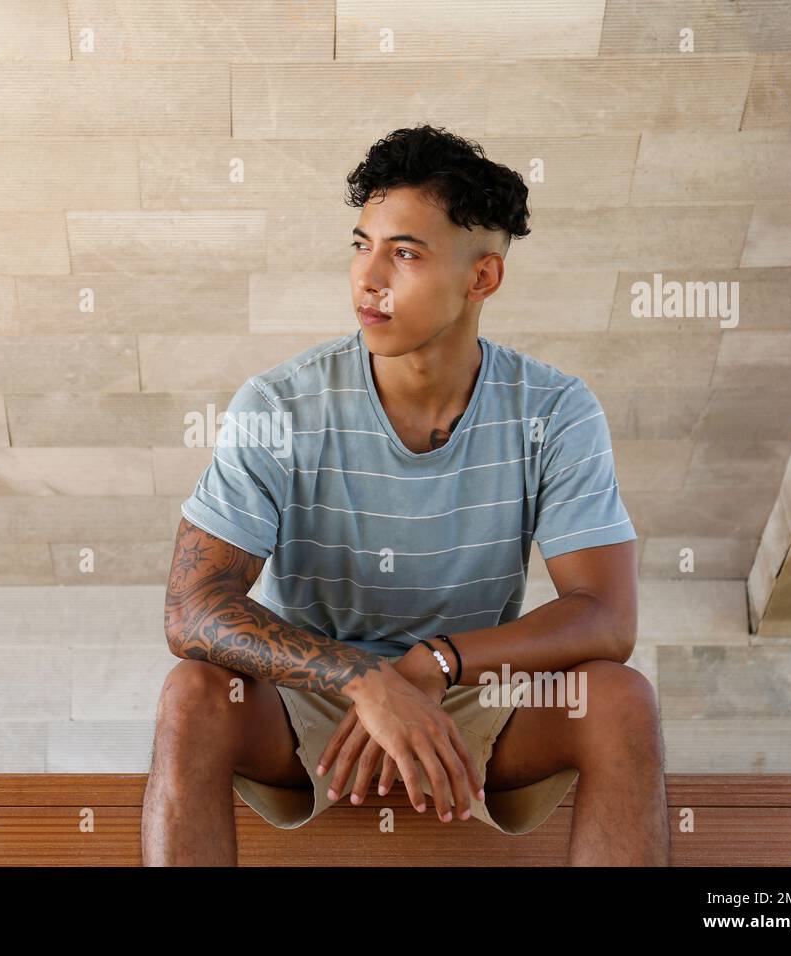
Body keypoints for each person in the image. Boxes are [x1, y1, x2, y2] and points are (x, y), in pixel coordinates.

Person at [143, 125, 668, 866]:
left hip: (472, 695)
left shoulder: (556, 409)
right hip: (311, 697)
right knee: (190, 695)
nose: (368, 277)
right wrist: (363, 680)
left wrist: (434, 663)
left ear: (481, 278)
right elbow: (191, 609)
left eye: (406, 254)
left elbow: (606, 619)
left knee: (620, 700)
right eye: (362, 245)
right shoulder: (277, 405)